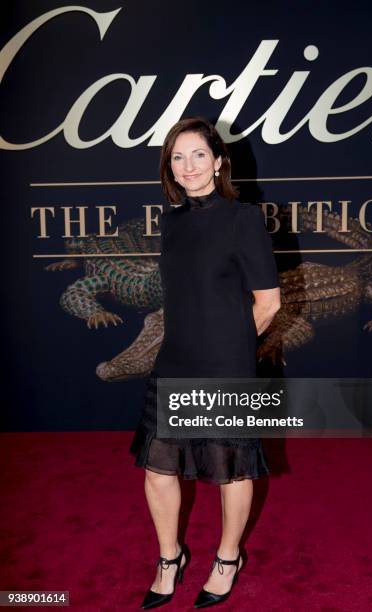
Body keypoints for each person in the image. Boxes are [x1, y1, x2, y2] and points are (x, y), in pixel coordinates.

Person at [129, 116, 281, 609]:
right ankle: (170, 556)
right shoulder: (171, 222)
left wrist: (232, 350)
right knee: (158, 469)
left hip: (225, 367)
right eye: (177, 157)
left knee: (231, 471)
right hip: (174, 361)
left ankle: (228, 556)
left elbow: (269, 302)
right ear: (168, 167)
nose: (188, 166)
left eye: (198, 155)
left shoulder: (243, 219)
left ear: (218, 162)